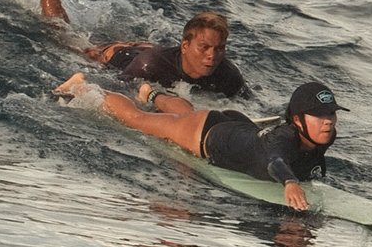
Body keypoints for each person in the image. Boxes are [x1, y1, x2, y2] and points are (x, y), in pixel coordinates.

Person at [56, 76, 345, 212]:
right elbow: (275, 161)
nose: (328, 122)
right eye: (319, 115)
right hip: (204, 135)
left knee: (185, 112)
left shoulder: (323, 137)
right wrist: (290, 183)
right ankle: (81, 86)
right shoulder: (285, 138)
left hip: (239, 126)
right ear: (297, 120)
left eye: (331, 114)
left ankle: (152, 93)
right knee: (136, 119)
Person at [9, 0, 247, 98]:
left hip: (147, 50)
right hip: (119, 55)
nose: (212, 56)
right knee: (60, 34)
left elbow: (250, 103)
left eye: (219, 49)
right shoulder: (150, 66)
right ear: (185, 46)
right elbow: (112, 90)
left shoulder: (228, 74)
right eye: (204, 47)